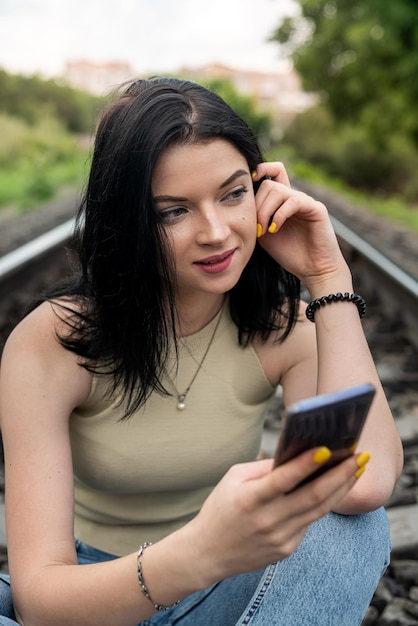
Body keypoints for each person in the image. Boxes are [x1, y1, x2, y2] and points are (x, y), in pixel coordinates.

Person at [0, 77, 403, 626]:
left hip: (224, 584)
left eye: (233, 193)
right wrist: (196, 554)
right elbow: (41, 600)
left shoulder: (276, 326)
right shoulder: (53, 342)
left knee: (349, 523)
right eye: (173, 211)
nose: (216, 232)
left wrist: (327, 275)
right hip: (97, 593)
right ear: (127, 221)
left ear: (261, 191)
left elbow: (368, 481)